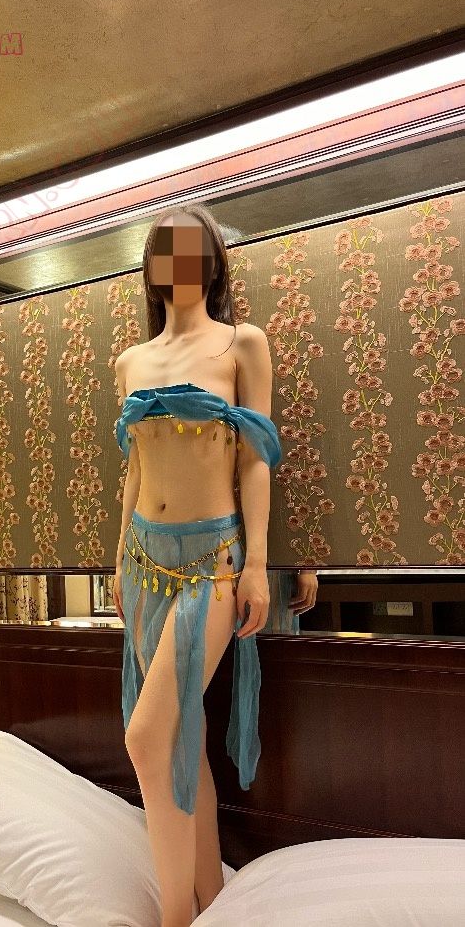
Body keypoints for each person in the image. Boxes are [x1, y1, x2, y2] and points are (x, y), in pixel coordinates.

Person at [112, 203, 316, 926]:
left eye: (193, 249)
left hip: (214, 562)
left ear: (213, 264)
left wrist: (257, 565)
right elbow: (135, 468)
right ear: (151, 267)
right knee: (180, 734)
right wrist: (117, 558)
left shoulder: (242, 344)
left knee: (147, 736)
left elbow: (257, 461)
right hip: (143, 561)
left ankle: (173, 917)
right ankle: (209, 902)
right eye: (166, 250)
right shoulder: (131, 362)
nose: (180, 263)